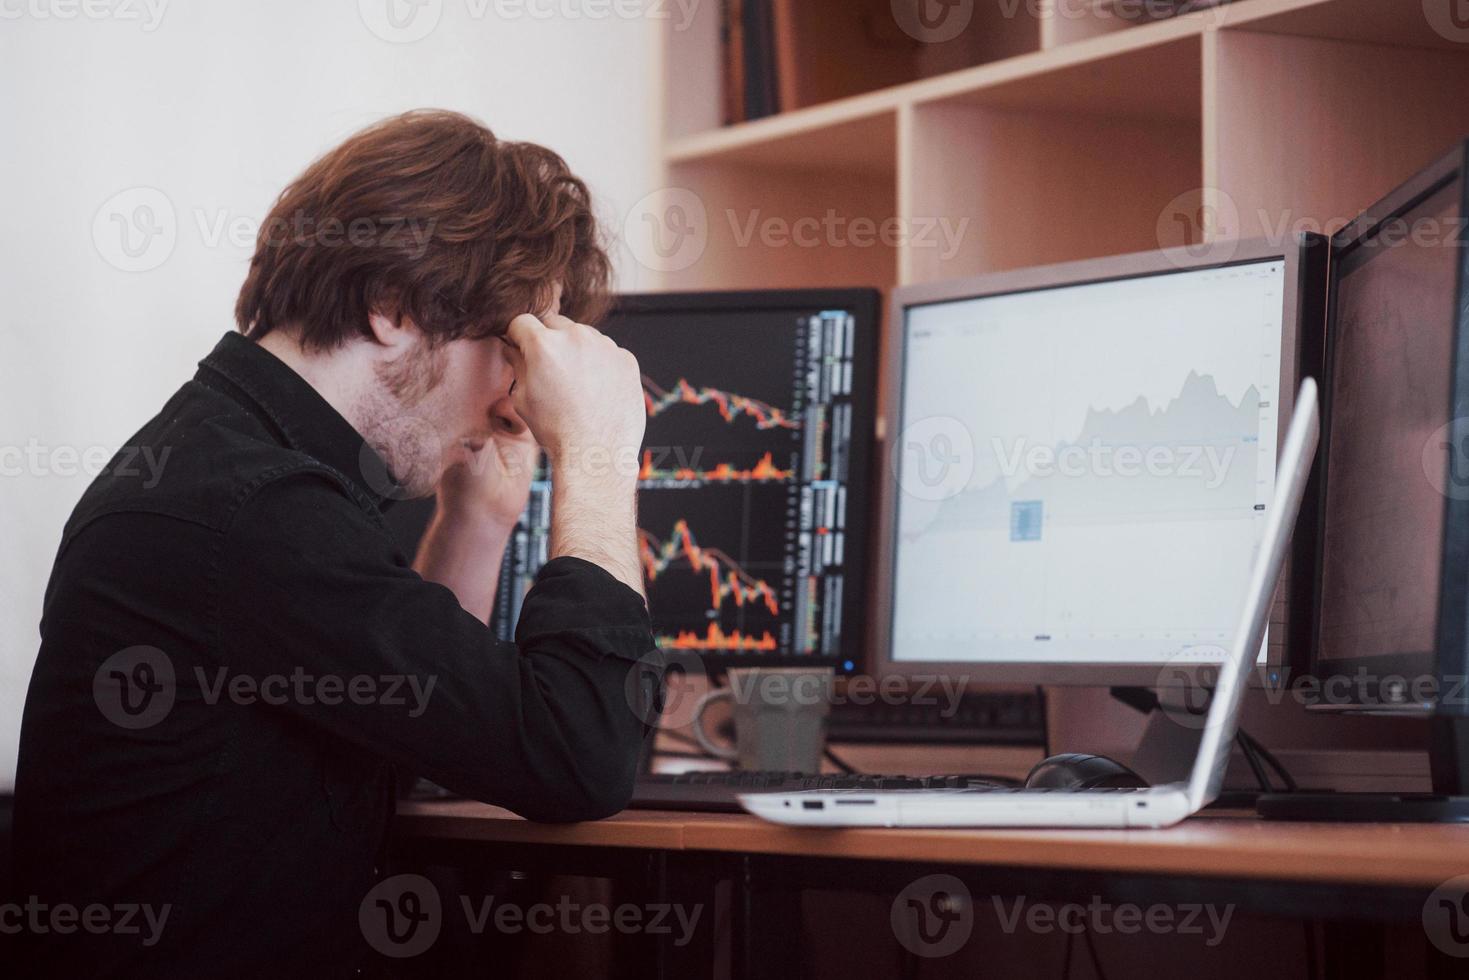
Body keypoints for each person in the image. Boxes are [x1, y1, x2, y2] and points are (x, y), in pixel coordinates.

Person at [13, 109, 663, 978]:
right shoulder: (252, 510)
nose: (517, 405)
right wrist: (597, 456)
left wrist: (475, 524)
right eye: (514, 351)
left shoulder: (242, 467)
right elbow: (579, 756)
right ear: (392, 307)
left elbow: (405, 737)